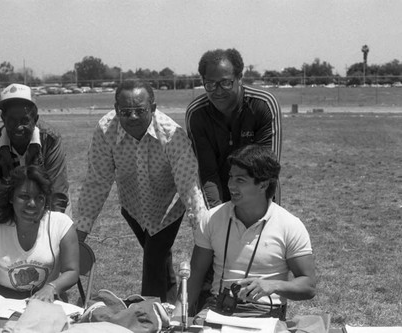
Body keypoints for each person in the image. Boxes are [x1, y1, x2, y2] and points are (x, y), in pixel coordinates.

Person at [76, 80, 208, 303]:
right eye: (125, 111)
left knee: (153, 259)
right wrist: (78, 238)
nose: (133, 117)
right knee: (160, 262)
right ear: (116, 109)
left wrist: (204, 236)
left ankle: (147, 313)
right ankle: (168, 311)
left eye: (140, 110)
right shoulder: (105, 129)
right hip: (133, 207)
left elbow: (189, 189)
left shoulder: (172, 136)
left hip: (168, 207)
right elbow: (97, 182)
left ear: (153, 108)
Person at [173, 145, 315, 322]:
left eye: (240, 180)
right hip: (217, 306)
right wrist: (177, 318)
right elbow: (194, 277)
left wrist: (274, 285)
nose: (231, 185)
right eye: (231, 177)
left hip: (264, 311)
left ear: (263, 184)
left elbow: (308, 285)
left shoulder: (290, 226)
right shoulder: (211, 219)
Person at [186, 48, 282, 209]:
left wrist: (253, 214)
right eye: (210, 84)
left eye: (225, 83)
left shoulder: (263, 105)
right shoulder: (197, 114)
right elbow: (207, 172)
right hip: (219, 194)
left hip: (260, 194)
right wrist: (217, 215)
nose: (218, 91)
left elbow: (266, 170)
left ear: (239, 78)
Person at [0, 165, 79, 301]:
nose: (32, 203)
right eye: (24, 196)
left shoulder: (62, 225)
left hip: (47, 302)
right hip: (5, 302)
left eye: (39, 197)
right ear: (11, 197)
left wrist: (51, 287)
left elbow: (72, 271)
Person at [0, 83, 71, 216]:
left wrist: (49, 228)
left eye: (25, 120)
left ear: (35, 119)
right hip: (10, 209)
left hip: (49, 204)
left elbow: (57, 192)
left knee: (60, 229)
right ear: (3, 119)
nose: (18, 127)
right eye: (12, 120)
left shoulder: (50, 140)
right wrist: (8, 224)